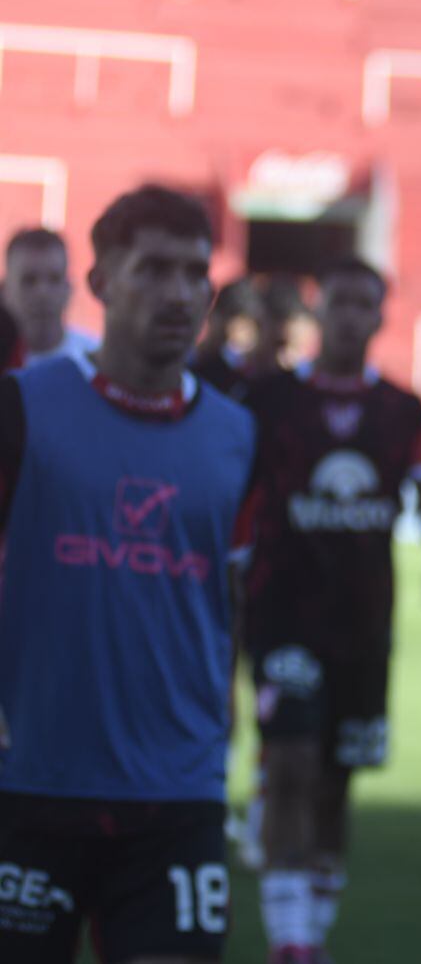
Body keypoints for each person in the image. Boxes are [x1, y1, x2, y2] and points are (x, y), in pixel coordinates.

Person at [0, 186, 258, 964]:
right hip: (31, 783)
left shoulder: (237, 435)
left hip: (175, 794)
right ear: (102, 283)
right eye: (151, 270)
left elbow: (231, 595)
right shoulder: (21, 409)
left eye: (192, 273)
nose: (177, 293)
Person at [242, 260, 421, 964]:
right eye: (340, 301)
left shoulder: (403, 411)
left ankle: (312, 928)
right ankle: (290, 941)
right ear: (317, 310)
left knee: (336, 781)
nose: (351, 315)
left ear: (381, 316)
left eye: (366, 303)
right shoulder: (266, 401)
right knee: (297, 761)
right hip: (280, 612)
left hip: (363, 625)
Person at [3, 228, 97, 364]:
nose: (43, 293)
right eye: (29, 280)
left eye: (54, 279)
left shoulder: (94, 366)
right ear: (5, 290)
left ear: (69, 288)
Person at [192, 278, 265, 399]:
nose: (245, 336)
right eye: (240, 327)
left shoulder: (259, 374)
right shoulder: (200, 367)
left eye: (249, 328)